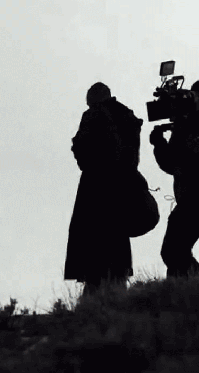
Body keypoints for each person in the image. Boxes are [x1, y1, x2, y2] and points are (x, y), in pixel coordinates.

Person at [65, 82, 141, 295]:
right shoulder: (127, 117)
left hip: (96, 187)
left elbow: (82, 150)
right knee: (117, 244)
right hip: (123, 187)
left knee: (93, 245)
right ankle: (118, 293)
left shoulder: (93, 116)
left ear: (92, 99)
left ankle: (94, 296)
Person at [150, 79, 199, 278]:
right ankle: (182, 298)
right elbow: (171, 165)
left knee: (173, 252)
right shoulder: (186, 126)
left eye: (198, 97)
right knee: (174, 254)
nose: (194, 102)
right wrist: (159, 144)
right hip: (186, 197)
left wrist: (188, 141)